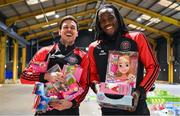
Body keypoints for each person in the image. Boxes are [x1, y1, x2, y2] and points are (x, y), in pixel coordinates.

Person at [88, 4, 160, 115]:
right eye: (102, 20)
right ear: (98, 24)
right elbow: (92, 75)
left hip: (135, 106)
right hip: (108, 107)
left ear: (118, 18)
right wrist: (96, 88)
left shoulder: (136, 38)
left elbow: (153, 67)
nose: (107, 22)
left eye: (111, 18)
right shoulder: (94, 47)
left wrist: (140, 91)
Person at [20, 15, 89, 115]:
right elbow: (24, 77)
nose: (69, 30)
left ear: (77, 33)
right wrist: (46, 76)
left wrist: (71, 103)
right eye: (65, 27)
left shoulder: (83, 57)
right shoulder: (45, 52)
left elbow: (85, 85)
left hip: (69, 110)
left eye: (73, 28)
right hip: (45, 108)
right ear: (59, 31)